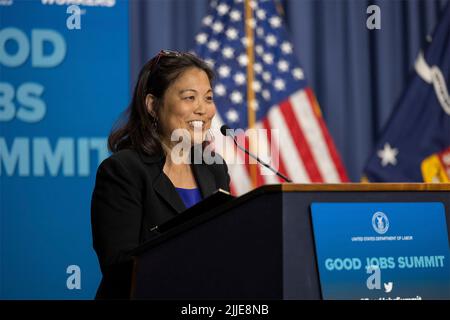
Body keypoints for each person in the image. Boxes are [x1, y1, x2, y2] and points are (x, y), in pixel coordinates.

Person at [90, 50, 231, 299]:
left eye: (208, 98)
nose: (203, 109)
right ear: (153, 105)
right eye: (190, 97)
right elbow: (119, 267)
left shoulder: (214, 168)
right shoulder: (123, 171)